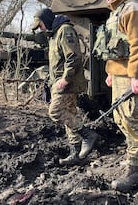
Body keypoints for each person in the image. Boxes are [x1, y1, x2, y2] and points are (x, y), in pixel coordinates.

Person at [99, 0, 138, 192]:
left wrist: (136, 75)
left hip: (130, 76)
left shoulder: (132, 9)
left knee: (132, 119)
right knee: (120, 118)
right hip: (119, 76)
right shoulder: (116, 13)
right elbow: (112, 48)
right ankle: (135, 158)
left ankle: (137, 170)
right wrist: (110, 71)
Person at [32, 8, 98, 165]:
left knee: (55, 112)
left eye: (40, 25)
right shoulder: (54, 35)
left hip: (67, 84)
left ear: (46, 20)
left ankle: (87, 134)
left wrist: (66, 78)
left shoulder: (65, 31)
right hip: (59, 84)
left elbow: (74, 57)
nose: (40, 29)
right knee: (69, 114)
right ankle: (75, 153)